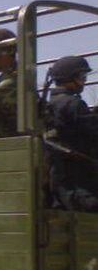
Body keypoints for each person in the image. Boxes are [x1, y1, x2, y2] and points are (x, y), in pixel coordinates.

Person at [44, 55, 98, 211]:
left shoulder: (52, 104)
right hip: (80, 184)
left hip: (62, 184)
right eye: (82, 77)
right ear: (70, 78)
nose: (84, 81)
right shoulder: (73, 104)